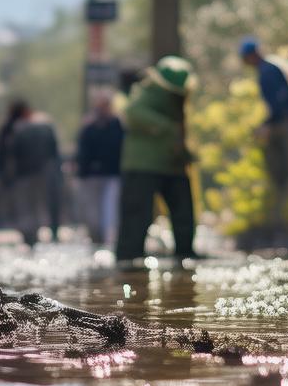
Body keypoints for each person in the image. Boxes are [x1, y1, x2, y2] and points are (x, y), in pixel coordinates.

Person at [115, 55, 197, 262]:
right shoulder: (146, 92)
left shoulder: (178, 98)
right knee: (137, 214)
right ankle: (129, 257)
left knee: (183, 213)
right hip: (142, 166)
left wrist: (185, 154)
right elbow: (132, 112)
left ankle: (185, 253)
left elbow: (180, 131)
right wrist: (166, 128)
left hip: (173, 165)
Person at [239, 37, 288, 245]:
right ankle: (281, 217)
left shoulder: (268, 71)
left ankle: (287, 218)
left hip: (285, 124)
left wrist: (269, 125)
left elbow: (281, 102)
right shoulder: (270, 67)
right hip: (281, 122)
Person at [0, 100, 61, 247]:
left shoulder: (12, 129)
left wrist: (2, 175)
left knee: (24, 207)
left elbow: (5, 154)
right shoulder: (42, 126)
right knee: (37, 205)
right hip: (39, 173)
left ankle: (29, 236)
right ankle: (35, 234)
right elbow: (53, 152)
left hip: (21, 176)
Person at [75, 91, 124, 246]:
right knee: (92, 212)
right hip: (91, 176)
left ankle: (109, 240)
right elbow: (82, 152)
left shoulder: (118, 125)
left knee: (110, 210)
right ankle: (96, 239)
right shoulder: (88, 126)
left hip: (112, 174)